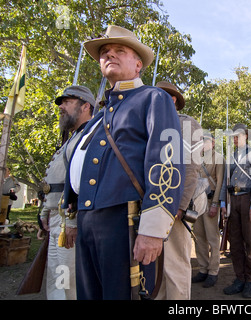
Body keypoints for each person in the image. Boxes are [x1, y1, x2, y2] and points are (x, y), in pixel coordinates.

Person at [62, 25, 185, 300]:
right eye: (105, 52)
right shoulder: (99, 115)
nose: (110, 55)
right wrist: (70, 212)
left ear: (138, 64)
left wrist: (153, 230)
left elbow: (168, 162)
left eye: (120, 50)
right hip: (88, 218)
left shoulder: (154, 98)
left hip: (125, 222)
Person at [40, 85, 95, 300]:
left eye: (67, 102)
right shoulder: (71, 138)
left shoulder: (88, 137)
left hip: (69, 221)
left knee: (69, 281)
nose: (61, 107)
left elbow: (83, 184)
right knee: (56, 278)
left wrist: (72, 221)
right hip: (56, 218)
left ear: (85, 106)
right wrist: (45, 210)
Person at [155, 80, 203, 299]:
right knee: (156, 267)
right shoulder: (151, 123)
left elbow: (192, 168)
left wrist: (180, 205)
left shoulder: (187, 124)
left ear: (172, 99)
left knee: (175, 264)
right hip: (151, 203)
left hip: (174, 203)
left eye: (159, 95)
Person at [220, 123, 251, 298]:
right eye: (233, 136)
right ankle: (239, 278)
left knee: (250, 242)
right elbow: (226, 181)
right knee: (235, 242)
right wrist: (223, 202)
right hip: (233, 200)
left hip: (248, 199)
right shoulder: (230, 157)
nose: (235, 138)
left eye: (238, 135)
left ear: (246, 136)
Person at [192, 131, 225, 287]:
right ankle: (203, 268)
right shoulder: (196, 157)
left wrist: (215, 203)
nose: (203, 143)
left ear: (212, 143)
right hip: (197, 202)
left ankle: (213, 271)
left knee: (212, 238)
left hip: (211, 200)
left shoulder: (218, 157)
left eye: (206, 141)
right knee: (198, 237)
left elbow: (219, 183)